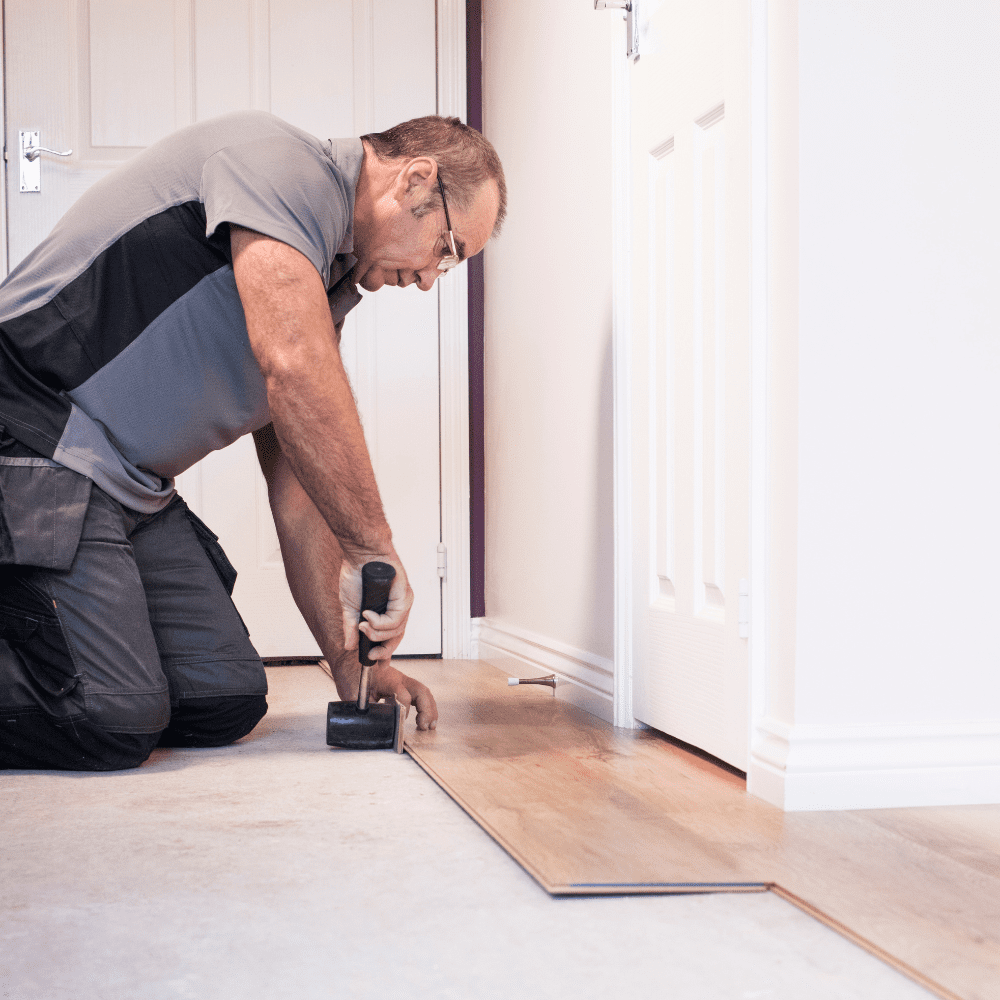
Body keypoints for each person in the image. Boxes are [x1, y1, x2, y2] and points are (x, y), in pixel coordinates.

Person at [0, 111, 506, 771]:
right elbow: (294, 368)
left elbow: (301, 492)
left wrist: (356, 666)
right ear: (415, 181)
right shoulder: (280, 165)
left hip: (126, 484)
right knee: (113, 716)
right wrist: (372, 550)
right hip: (32, 423)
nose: (434, 276)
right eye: (446, 248)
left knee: (223, 695)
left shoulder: (324, 281)